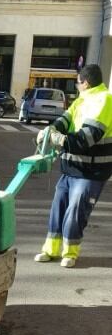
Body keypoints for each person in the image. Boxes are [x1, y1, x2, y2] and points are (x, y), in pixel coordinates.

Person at [34, 63, 112, 268]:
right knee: (58, 210)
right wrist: (49, 131)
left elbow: (88, 136)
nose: (77, 86)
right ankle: (50, 250)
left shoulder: (105, 100)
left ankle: (70, 252)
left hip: (90, 171)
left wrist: (59, 140)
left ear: (85, 83)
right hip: (71, 168)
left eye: (77, 83)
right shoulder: (82, 100)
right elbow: (65, 119)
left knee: (76, 211)